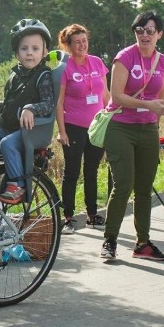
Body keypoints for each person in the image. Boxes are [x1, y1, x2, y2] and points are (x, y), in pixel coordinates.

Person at [100, 11, 164, 261]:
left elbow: (159, 96)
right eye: (139, 30)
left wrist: (159, 111)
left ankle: (143, 243)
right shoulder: (124, 57)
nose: (144, 35)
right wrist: (151, 106)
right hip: (120, 126)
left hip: (148, 128)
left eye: (150, 30)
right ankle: (110, 240)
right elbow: (116, 96)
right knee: (124, 185)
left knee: (144, 188)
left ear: (159, 34)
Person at [0, 19, 55, 204]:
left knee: (7, 144)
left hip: (30, 131)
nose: (30, 53)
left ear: (45, 52)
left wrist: (31, 108)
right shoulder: (15, 75)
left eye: (35, 49)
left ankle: (18, 186)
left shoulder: (43, 76)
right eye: (24, 48)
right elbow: (9, 104)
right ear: (16, 53)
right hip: (9, 127)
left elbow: (48, 103)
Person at [55, 24, 110, 234]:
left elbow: (105, 95)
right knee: (72, 172)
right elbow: (59, 102)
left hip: (96, 127)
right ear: (68, 45)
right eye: (77, 42)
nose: (82, 45)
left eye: (84, 40)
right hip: (74, 127)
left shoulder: (96, 62)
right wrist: (62, 131)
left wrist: (112, 116)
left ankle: (92, 214)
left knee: (92, 171)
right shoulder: (64, 67)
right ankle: (68, 217)